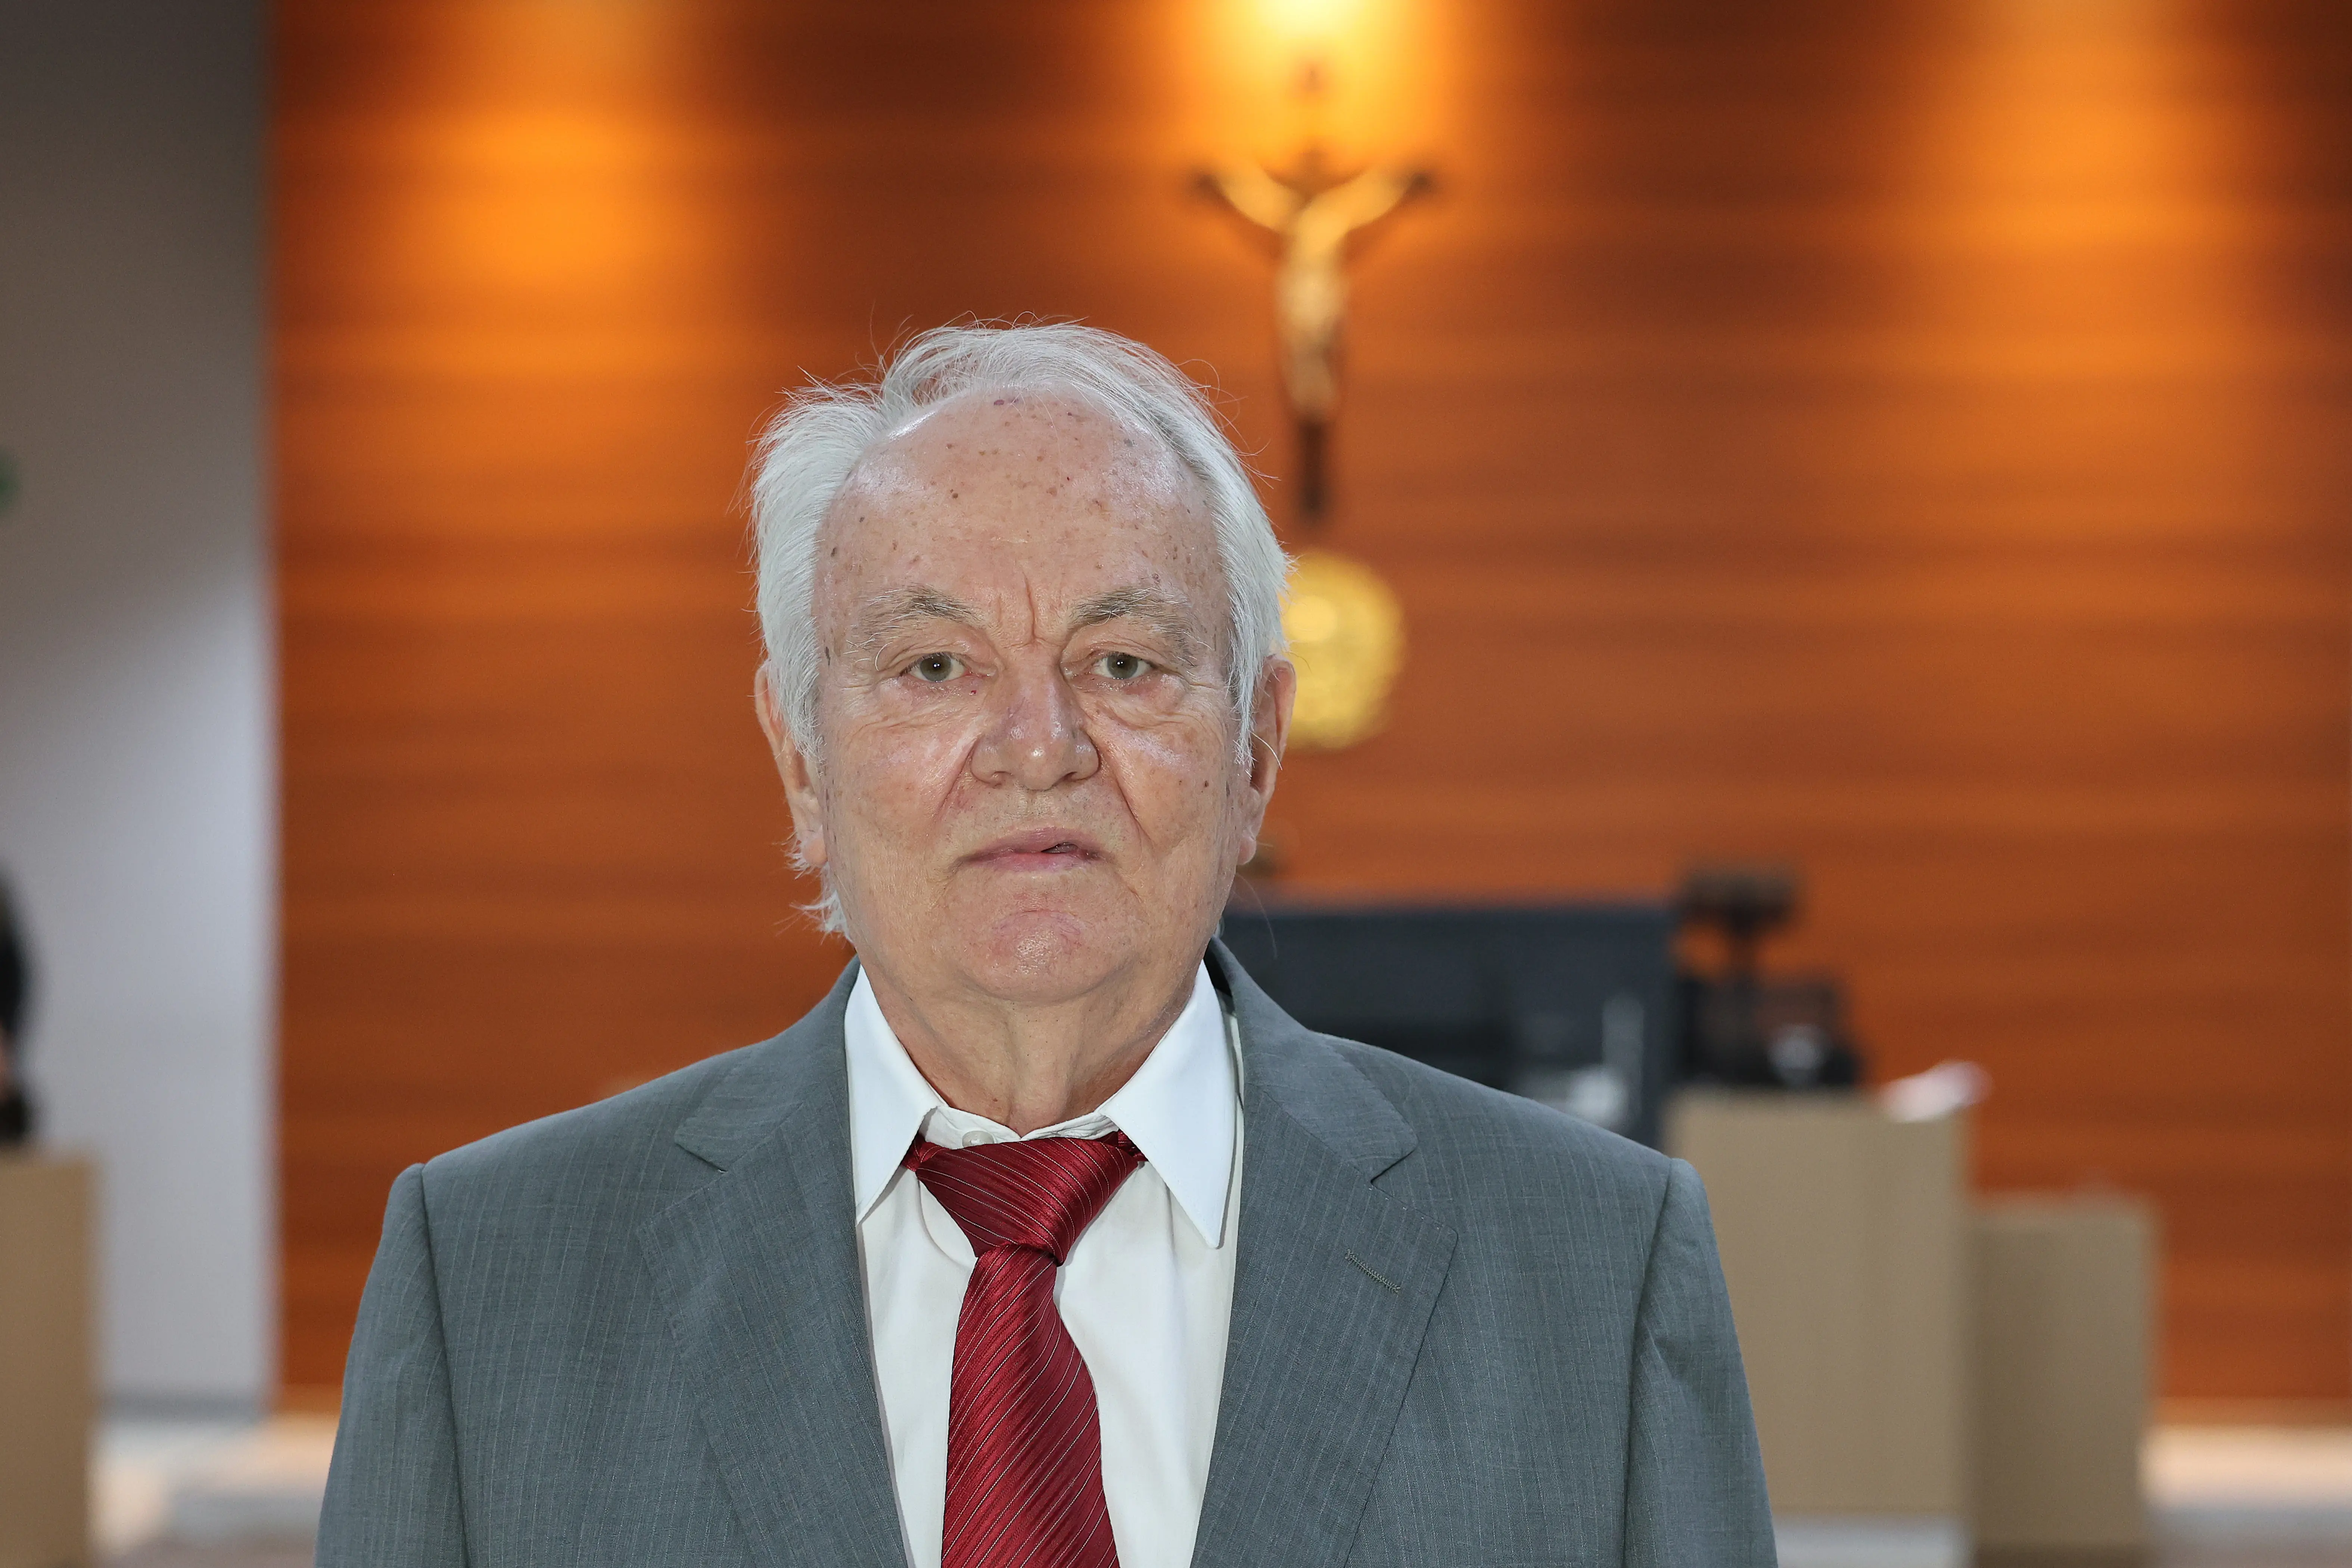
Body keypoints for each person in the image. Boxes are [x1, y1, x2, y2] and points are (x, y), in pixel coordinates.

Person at [318, 323, 1773, 1568]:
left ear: (1256, 745)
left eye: (1124, 662)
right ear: (802, 759)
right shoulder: (490, 1282)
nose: (1037, 746)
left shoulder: (1598, 1269)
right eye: (935, 665)